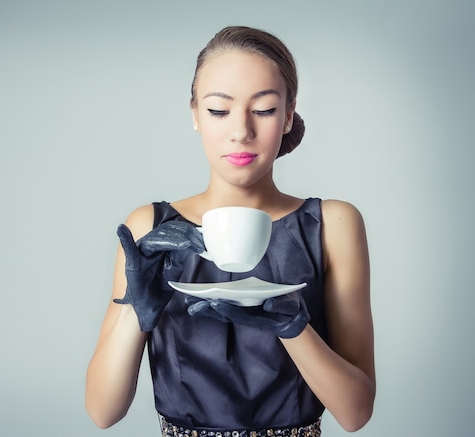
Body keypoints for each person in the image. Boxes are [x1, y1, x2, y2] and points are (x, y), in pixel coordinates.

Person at [86, 25, 375, 436]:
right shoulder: (149, 227)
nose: (241, 130)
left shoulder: (334, 224)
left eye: (264, 109)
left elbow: (356, 414)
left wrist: (294, 329)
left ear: (289, 114)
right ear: (195, 115)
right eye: (219, 110)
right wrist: (136, 309)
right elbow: (102, 412)